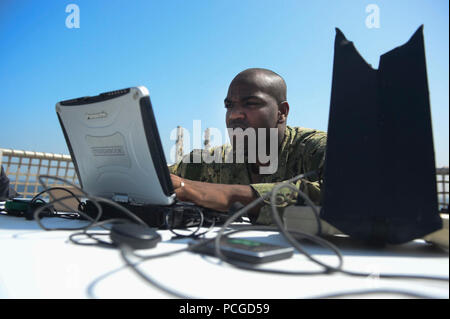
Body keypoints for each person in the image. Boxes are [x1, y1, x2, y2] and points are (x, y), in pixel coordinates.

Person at [169, 68, 327, 224]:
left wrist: (223, 195)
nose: (233, 115)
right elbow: (162, 178)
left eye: (250, 104)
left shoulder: (317, 148)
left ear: (282, 112)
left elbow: (345, 193)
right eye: (229, 106)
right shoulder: (220, 160)